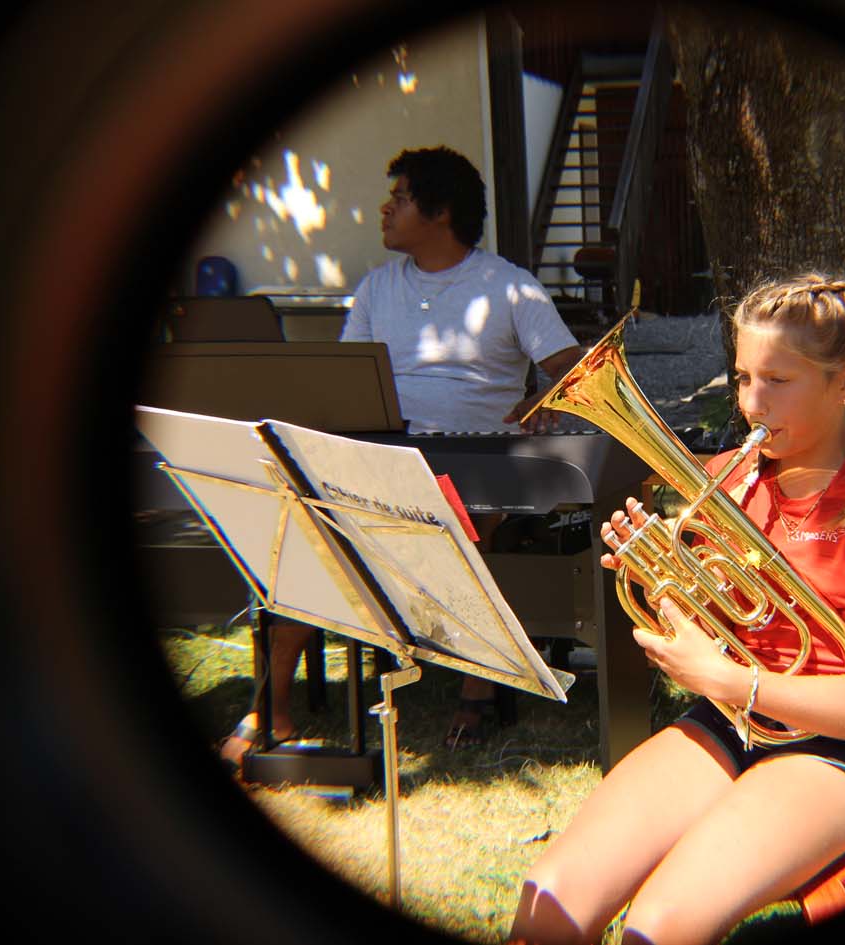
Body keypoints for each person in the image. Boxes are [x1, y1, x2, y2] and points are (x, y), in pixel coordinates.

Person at [506, 275, 845, 945]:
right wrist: (662, 581)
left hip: (840, 752)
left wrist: (723, 678)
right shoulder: (729, 480)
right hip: (730, 721)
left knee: (658, 928)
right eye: (742, 378)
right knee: (550, 906)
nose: (750, 403)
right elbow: (718, 629)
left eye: (777, 381)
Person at [220, 145, 582, 768]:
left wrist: (539, 400)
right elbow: (345, 379)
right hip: (380, 456)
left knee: (464, 523)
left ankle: (476, 690)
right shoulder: (377, 287)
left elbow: (571, 367)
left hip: (476, 466)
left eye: (402, 198)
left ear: (440, 213)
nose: (386, 209)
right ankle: (270, 706)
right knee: (304, 532)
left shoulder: (509, 287)